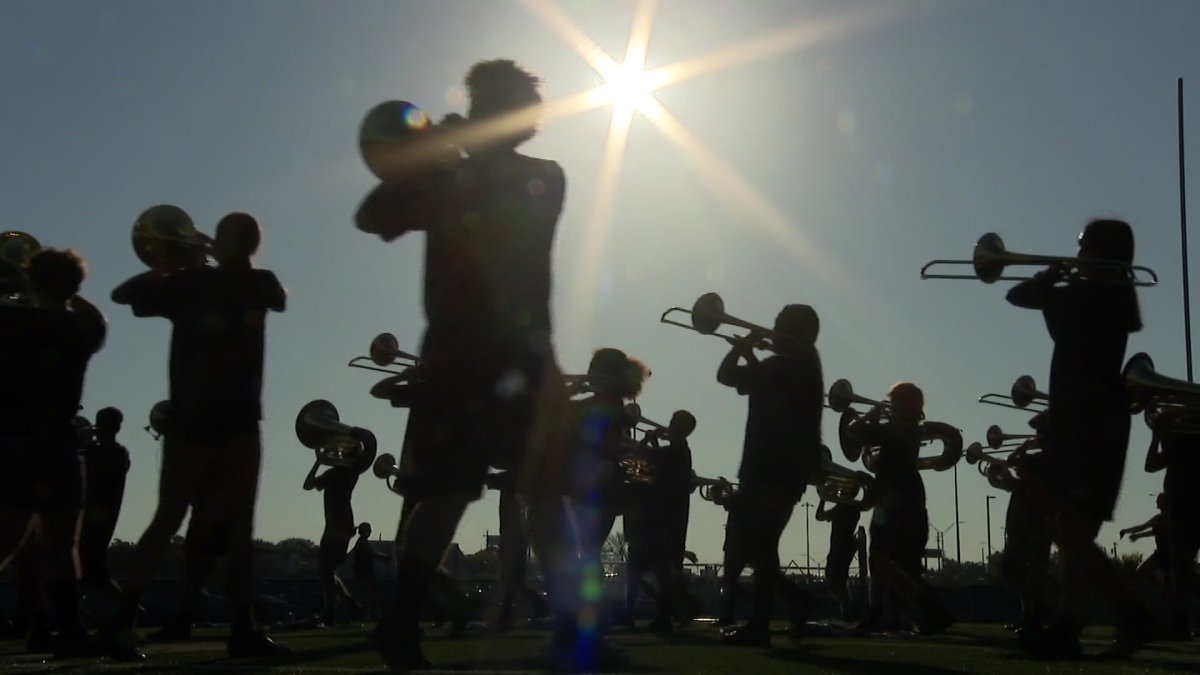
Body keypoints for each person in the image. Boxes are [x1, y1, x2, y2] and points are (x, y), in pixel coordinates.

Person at [357, 59, 567, 671]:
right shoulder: (453, 177)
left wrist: (448, 157)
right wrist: (433, 159)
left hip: (506, 355)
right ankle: (400, 624)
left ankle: (570, 629)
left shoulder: (541, 176)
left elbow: (497, 203)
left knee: (542, 494)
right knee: (459, 494)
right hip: (479, 354)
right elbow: (372, 216)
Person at [109, 212, 288, 657]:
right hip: (227, 421)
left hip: (205, 421)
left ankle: (123, 623)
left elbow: (124, 293)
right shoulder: (235, 279)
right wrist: (189, 263)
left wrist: (177, 264)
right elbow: (124, 295)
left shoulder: (201, 282)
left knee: (172, 519)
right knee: (217, 525)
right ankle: (240, 632)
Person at [1005, 219, 1154, 657]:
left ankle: (1129, 615)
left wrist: (1047, 277)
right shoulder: (1117, 293)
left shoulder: (1094, 295)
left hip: (1088, 424)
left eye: (1081, 246)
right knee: (1071, 529)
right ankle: (1069, 623)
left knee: (1070, 529)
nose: (1076, 252)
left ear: (1096, 250)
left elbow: (1019, 296)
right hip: (1086, 419)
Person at [0, 248, 114, 657]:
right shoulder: (80, 328)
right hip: (60, 445)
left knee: (6, 539)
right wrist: (68, 293)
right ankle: (69, 632)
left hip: (13, 441)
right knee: (62, 545)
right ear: (76, 286)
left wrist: (19, 288)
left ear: (32, 280)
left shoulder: (10, 322)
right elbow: (100, 319)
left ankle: (65, 630)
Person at [715, 304, 823, 647]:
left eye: (779, 327)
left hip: (768, 466)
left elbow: (726, 376)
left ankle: (764, 622)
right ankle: (792, 602)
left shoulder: (789, 364)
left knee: (756, 544)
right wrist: (750, 354)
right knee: (761, 546)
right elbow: (758, 382)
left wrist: (741, 349)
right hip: (785, 468)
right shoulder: (806, 364)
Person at [852, 383, 953, 635]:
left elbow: (855, 432)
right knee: (889, 561)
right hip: (902, 494)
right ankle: (909, 612)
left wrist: (870, 416)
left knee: (882, 559)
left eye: (894, 400)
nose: (890, 405)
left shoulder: (899, 428)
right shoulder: (908, 428)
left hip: (894, 497)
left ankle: (924, 610)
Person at [623, 410, 696, 631]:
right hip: (661, 516)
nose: (669, 426)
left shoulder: (677, 451)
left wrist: (647, 439)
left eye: (673, 423)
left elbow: (644, 463)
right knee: (643, 567)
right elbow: (651, 467)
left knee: (656, 568)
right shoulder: (679, 451)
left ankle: (663, 614)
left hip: (661, 518)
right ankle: (646, 612)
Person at [1145, 429, 1200, 640]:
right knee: (1184, 571)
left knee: (1182, 571)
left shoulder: (1183, 439)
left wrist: (1156, 436)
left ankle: (1181, 624)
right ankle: (1181, 624)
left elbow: (1150, 466)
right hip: (1186, 511)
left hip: (1184, 513)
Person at [79, 407, 131, 595]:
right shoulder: (117, 453)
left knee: (91, 572)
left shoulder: (109, 453)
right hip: (100, 519)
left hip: (95, 521)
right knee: (91, 573)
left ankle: (129, 612)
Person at [304, 460, 363, 626]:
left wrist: (320, 461)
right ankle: (349, 604)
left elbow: (308, 485)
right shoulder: (337, 473)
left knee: (326, 571)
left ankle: (330, 612)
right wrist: (319, 461)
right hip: (336, 526)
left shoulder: (346, 472)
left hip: (338, 527)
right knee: (327, 571)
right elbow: (308, 485)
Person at [815, 496, 862, 621]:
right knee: (837, 581)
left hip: (841, 546)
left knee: (836, 580)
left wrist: (823, 498)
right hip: (841, 546)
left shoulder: (845, 508)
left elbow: (820, 516)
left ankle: (849, 610)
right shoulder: (847, 507)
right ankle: (848, 610)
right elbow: (820, 516)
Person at [1119, 494, 1170, 590]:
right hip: (1160, 554)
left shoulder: (1170, 519)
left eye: (1158, 500)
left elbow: (1156, 531)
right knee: (1141, 572)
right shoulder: (1157, 519)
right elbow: (1141, 528)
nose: (1156, 502)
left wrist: (1138, 535)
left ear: (1164, 503)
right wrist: (1126, 531)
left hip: (1172, 554)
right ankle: (1163, 591)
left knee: (1171, 579)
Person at [350, 523, 388, 620]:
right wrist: (383, 557)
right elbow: (371, 554)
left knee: (372, 593)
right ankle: (369, 614)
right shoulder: (362, 542)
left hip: (365, 570)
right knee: (370, 593)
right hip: (365, 571)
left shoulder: (361, 542)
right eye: (369, 529)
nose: (371, 531)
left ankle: (371, 614)